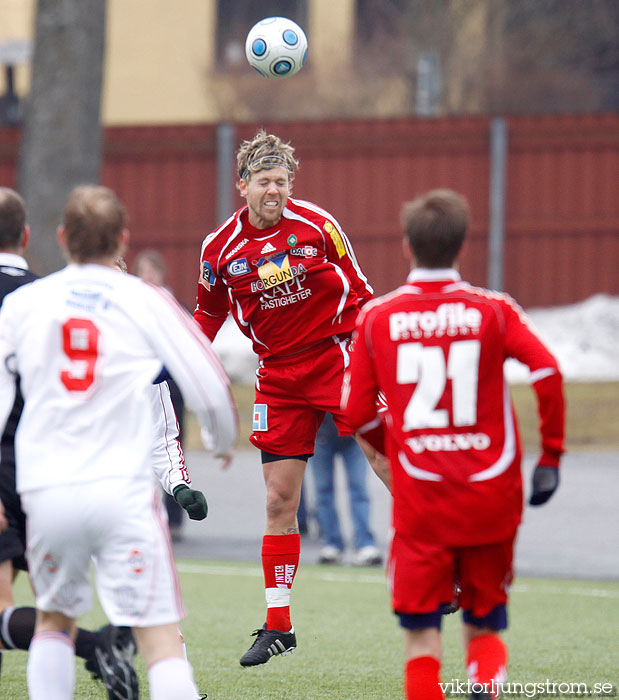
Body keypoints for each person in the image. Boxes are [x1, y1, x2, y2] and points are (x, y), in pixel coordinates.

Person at [0, 185, 238, 700]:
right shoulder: (146, 300)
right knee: (157, 638)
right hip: (122, 493)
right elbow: (208, 379)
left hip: (48, 490)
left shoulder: (25, 303)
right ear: (122, 239)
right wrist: (221, 438)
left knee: (54, 623)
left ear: (62, 239)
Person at [341, 189, 565, 700]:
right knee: (484, 626)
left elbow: (355, 414)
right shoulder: (494, 310)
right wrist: (550, 456)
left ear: (406, 246)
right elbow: (548, 371)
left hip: (422, 500)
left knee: (422, 635)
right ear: (463, 246)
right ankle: (484, 686)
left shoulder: (377, 316)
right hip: (491, 492)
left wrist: (394, 446)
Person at [193, 130, 380, 667]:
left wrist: (375, 352)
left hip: (336, 356)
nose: (273, 190)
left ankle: (444, 565)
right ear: (242, 185)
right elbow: (207, 314)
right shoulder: (219, 249)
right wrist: (182, 359)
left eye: (281, 181)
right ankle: (279, 625)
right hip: (277, 375)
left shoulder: (319, 227)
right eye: (264, 181)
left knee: (383, 457)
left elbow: (362, 293)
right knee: (279, 501)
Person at [0, 187, 139, 700]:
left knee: (13, 611)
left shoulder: (31, 304)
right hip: (45, 464)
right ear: (29, 236)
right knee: (51, 604)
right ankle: (98, 644)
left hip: (6, 464)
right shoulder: (45, 296)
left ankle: (98, 644)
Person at [134, 249, 187, 541]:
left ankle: (174, 515)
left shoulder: (171, 306)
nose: (148, 276)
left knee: (169, 445)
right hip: (139, 388)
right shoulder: (129, 307)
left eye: (152, 270)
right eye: (143, 270)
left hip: (170, 387)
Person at [309, 413, 382, 566]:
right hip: (320, 432)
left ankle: (364, 543)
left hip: (353, 434)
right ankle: (332, 543)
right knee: (323, 491)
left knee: (359, 489)